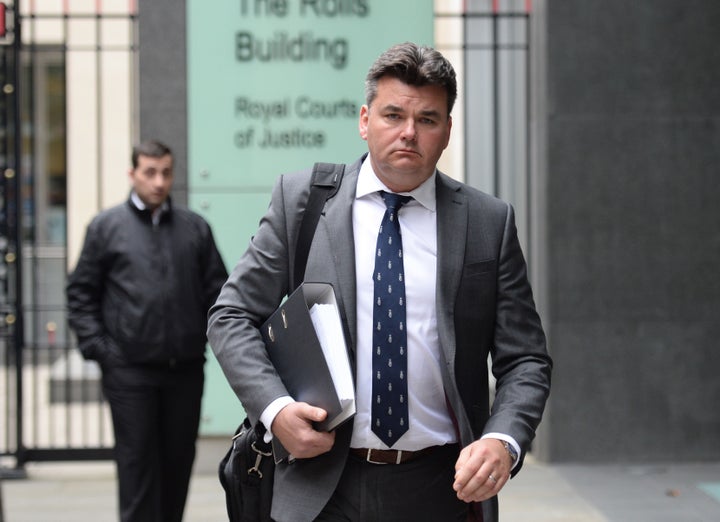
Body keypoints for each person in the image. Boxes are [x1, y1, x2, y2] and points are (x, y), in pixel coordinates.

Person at [207, 42, 552, 522]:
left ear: (447, 131)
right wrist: (275, 410)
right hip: (321, 484)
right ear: (365, 120)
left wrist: (503, 439)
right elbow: (232, 315)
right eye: (393, 115)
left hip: (441, 488)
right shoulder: (303, 201)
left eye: (428, 119)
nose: (409, 133)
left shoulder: (487, 222)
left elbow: (526, 358)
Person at [66, 140, 228, 522]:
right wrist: (100, 349)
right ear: (132, 174)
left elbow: (219, 294)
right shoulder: (106, 228)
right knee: (137, 465)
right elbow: (80, 292)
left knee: (176, 465)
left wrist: (201, 339)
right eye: (150, 172)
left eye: (166, 173)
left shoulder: (194, 228)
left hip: (184, 370)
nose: (159, 182)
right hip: (128, 372)